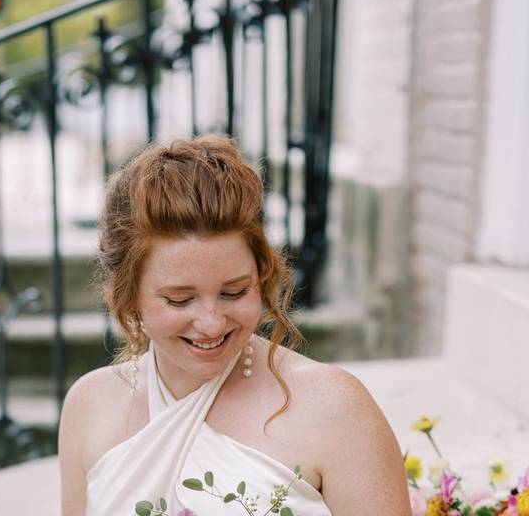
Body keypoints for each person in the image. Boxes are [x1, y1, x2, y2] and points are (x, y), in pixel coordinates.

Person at [59, 136, 410, 515]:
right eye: (180, 299)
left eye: (234, 292)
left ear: (262, 275)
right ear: (129, 297)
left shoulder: (336, 408)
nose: (211, 323)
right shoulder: (89, 406)